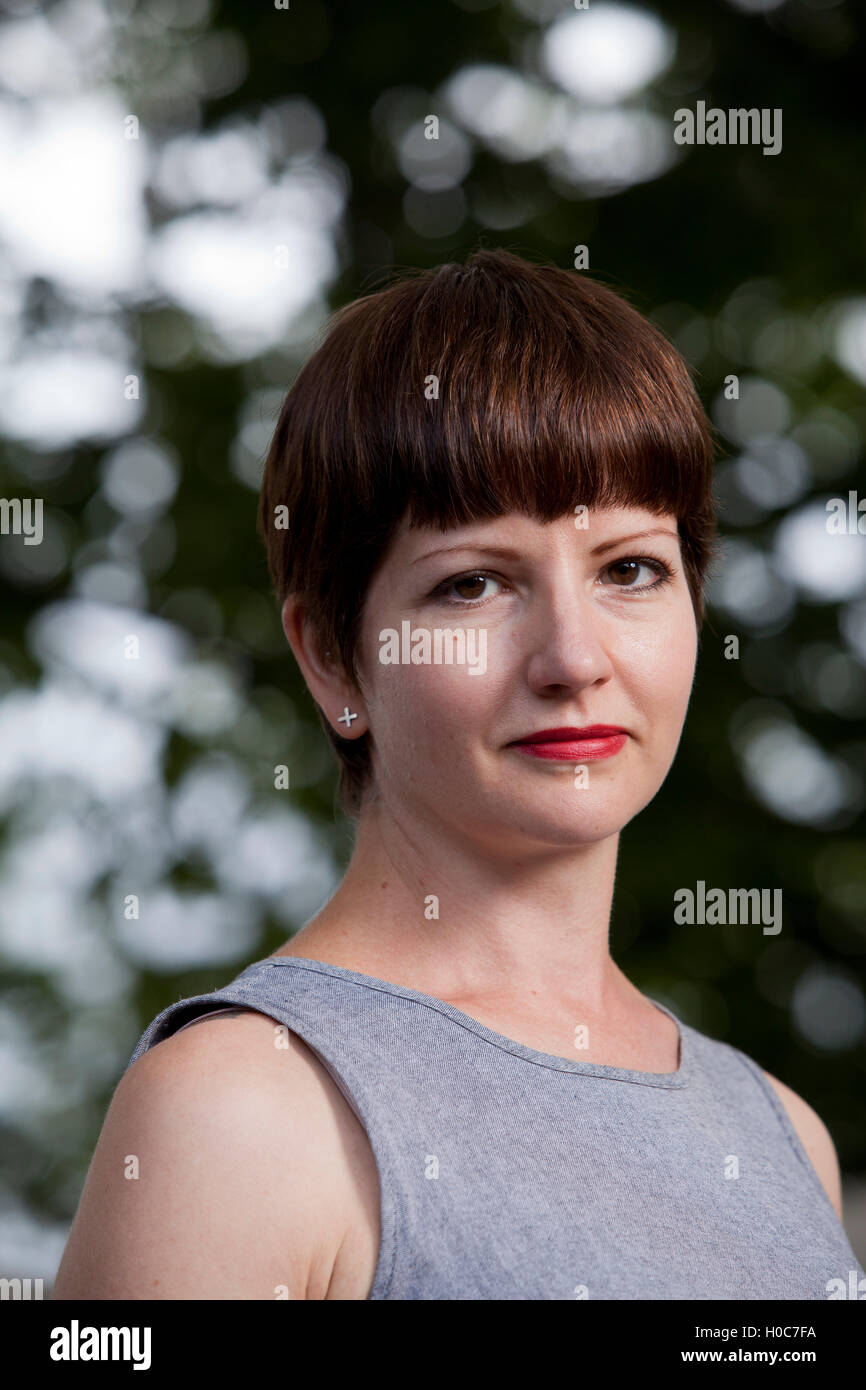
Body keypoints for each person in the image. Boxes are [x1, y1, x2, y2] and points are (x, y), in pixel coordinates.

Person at [53, 248, 864, 1300]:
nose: (573, 658)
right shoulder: (238, 1112)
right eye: (473, 583)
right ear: (332, 658)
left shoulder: (780, 1134)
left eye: (629, 569)